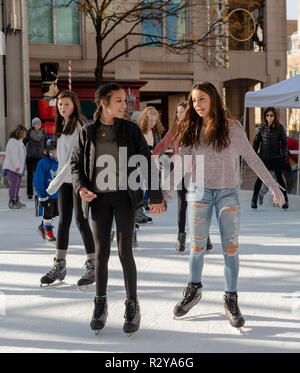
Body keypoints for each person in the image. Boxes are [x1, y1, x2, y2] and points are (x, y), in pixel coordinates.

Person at [165, 82, 285, 328]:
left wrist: (273, 186)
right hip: (198, 193)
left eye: (202, 100)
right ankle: (194, 289)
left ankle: (231, 298)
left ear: (213, 100)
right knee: (196, 247)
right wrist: (161, 193)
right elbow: (182, 164)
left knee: (230, 249)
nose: (197, 105)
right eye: (194, 101)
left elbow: (252, 158)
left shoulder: (233, 128)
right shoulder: (190, 128)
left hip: (227, 195)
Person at [70, 83, 166, 335]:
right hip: (98, 199)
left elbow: (146, 163)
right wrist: (81, 188)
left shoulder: (131, 130)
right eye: (119, 101)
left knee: (125, 251)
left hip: (125, 198)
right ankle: (100, 304)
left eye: (125, 101)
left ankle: (132, 305)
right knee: (101, 254)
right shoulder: (88, 132)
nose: (124, 105)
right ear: (104, 103)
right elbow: (76, 164)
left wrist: (155, 197)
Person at [40, 90, 96, 289]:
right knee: (63, 222)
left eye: (66, 104)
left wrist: (53, 183)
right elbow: (63, 159)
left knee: (81, 221)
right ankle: (59, 264)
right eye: (60, 104)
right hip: (65, 180)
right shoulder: (63, 125)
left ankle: (92, 264)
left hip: (78, 179)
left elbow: (74, 160)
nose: (63, 107)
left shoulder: (79, 125)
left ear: (74, 105)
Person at [153, 101, 213, 252]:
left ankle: (204, 235)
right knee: (183, 203)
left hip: (196, 170)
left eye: (183, 111)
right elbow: (164, 143)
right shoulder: (175, 128)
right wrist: (153, 153)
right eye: (178, 112)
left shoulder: (197, 127)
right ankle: (181, 236)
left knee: (199, 204)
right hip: (179, 169)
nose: (180, 114)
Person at [251, 107, 288, 209]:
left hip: (276, 157)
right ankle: (254, 199)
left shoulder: (280, 127)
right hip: (264, 158)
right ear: (265, 116)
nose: (269, 117)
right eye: (267, 115)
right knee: (260, 179)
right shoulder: (261, 128)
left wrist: (284, 155)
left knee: (280, 180)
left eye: (271, 115)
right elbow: (256, 142)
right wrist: (255, 155)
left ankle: (285, 201)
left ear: (274, 116)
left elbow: (284, 143)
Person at [136, 106, 165, 224]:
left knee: (144, 187)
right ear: (144, 119)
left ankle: (140, 211)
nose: (152, 123)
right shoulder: (138, 131)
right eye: (150, 120)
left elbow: (157, 149)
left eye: (154, 120)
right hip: (138, 162)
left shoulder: (155, 133)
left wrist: (157, 162)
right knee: (138, 187)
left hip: (150, 162)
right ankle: (137, 213)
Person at [33, 138, 59, 242]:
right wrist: (42, 194)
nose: (56, 153)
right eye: (54, 150)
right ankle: (48, 231)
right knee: (47, 213)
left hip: (57, 194)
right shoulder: (43, 163)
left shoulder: (60, 162)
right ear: (49, 151)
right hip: (46, 194)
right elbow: (38, 179)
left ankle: (43, 226)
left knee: (54, 213)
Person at [3, 125, 27, 209]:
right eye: (24, 132)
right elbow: (14, 155)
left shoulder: (20, 142)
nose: (25, 134)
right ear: (20, 132)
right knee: (14, 184)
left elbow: (22, 155)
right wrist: (17, 166)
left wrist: (23, 166)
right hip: (12, 167)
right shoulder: (12, 141)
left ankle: (16, 200)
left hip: (18, 168)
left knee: (17, 184)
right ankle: (12, 201)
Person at [23, 117, 48, 199]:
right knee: (30, 175)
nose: (39, 125)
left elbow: (46, 144)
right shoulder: (29, 133)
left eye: (40, 123)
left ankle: (39, 191)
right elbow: (24, 143)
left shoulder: (43, 132)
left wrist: (47, 152)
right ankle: (29, 193)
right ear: (33, 125)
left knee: (39, 175)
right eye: (37, 123)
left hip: (39, 157)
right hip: (30, 156)